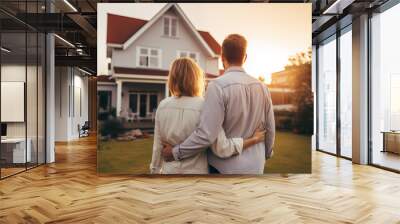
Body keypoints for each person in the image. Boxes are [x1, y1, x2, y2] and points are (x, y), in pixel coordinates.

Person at [162, 34, 275, 174]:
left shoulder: (217, 86)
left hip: (223, 168)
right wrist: (267, 153)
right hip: (256, 166)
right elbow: (270, 128)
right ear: (245, 57)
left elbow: (206, 135)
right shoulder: (262, 87)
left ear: (222, 58)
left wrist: (175, 152)